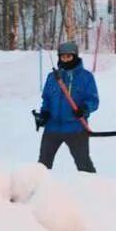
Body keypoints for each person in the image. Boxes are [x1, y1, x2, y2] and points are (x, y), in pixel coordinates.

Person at [36, 40, 99, 173]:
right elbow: (46, 99)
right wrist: (44, 114)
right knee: (42, 165)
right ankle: (39, 190)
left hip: (76, 129)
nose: (65, 60)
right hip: (52, 129)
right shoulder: (52, 77)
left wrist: (85, 109)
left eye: (68, 57)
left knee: (84, 165)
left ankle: (93, 190)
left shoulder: (86, 77)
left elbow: (93, 99)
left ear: (75, 56)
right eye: (62, 57)